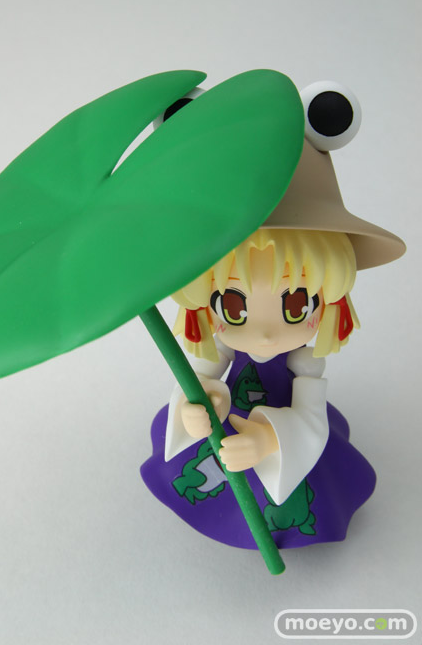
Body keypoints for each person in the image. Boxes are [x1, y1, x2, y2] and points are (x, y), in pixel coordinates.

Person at [141, 85, 405, 549]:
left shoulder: (304, 363)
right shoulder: (222, 346)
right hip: (229, 435)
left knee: (300, 485)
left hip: (279, 435)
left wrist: (268, 442)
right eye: (234, 305)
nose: (264, 333)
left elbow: (310, 417)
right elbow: (198, 379)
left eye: (296, 304)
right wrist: (198, 407)